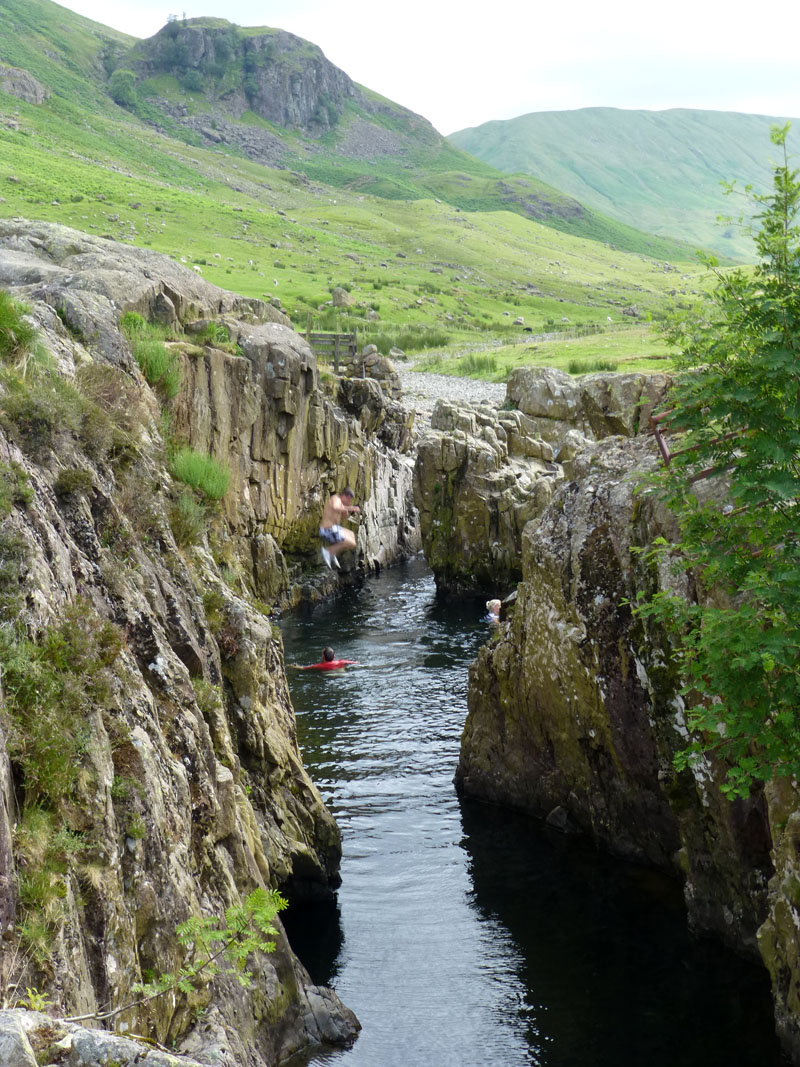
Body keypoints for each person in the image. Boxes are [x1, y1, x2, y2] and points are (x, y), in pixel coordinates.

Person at [319, 487, 360, 569]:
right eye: (349, 500)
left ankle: (333, 552)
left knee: (352, 535)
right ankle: (328, 551)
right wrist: (350, 508)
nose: (349, 502)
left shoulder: (341, 504)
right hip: (327, 530)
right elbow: (335, 507)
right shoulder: (336, 499)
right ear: (345, 496)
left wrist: (345, 510)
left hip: (334, 529)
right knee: (352, 543)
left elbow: (344, 517)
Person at [292, 647, 358, 671]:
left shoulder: (320, 665)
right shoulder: (341, 662)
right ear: (334, 656)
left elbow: (303, 668)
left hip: (328, 676)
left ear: (323, 656)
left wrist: (293, 666)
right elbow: (357, 663)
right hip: (342, 674)